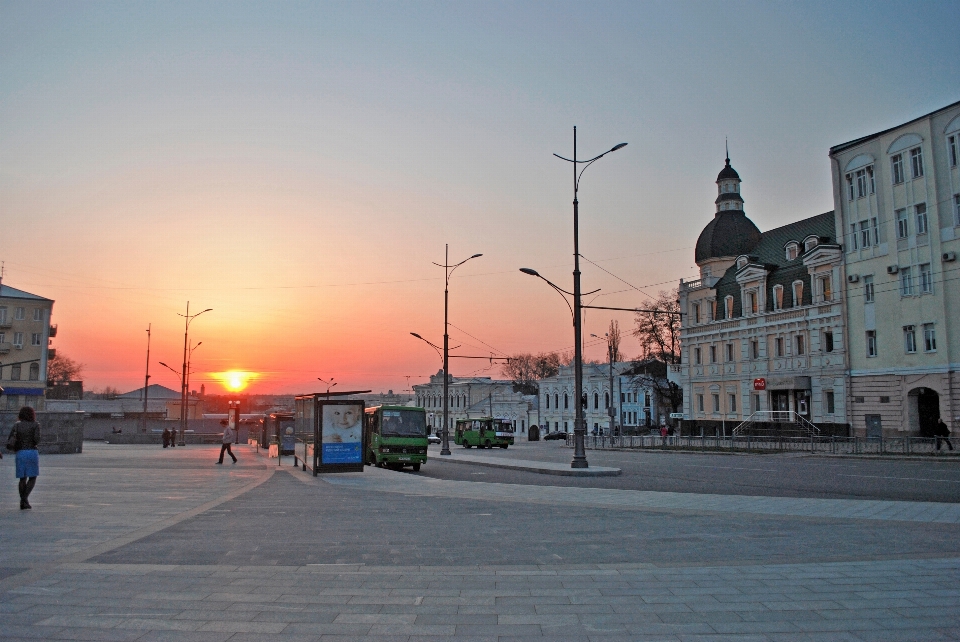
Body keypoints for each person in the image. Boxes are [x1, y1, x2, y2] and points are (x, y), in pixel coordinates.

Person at [8, 407, 41, 510]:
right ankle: (24, 499)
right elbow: (37, 440)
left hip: (20, 453)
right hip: (32, 452)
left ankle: (23, 501)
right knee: (33, 477)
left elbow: (10, 439)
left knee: (22, 478)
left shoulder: (16, 425)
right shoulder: (36, 425)